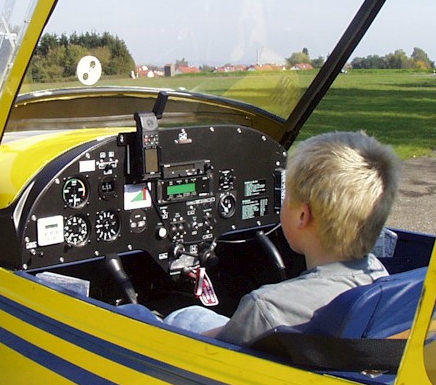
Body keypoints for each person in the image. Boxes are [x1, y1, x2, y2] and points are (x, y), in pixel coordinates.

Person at [163, 130, 401, 346]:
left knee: (184, 317)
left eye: (286, 195)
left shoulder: (266, 308)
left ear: (302, 216)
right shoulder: (384, 282)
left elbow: (206, 352)